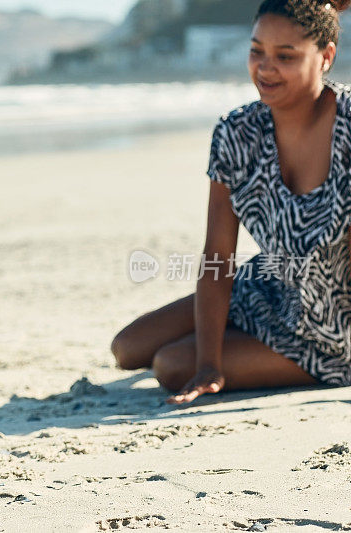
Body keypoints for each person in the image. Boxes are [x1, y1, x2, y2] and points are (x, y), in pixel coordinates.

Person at [111, 0, 351, 405]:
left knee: (171, 365)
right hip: (269, 288)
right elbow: (217, 254)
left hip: (332, 328)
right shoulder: (236, 132)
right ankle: (235, 344)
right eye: (256, 51)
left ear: (325, 56)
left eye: (285, 56)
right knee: (128, 348)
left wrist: (204, 364)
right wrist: (209, 362)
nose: (265, 67)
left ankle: (243, 350)